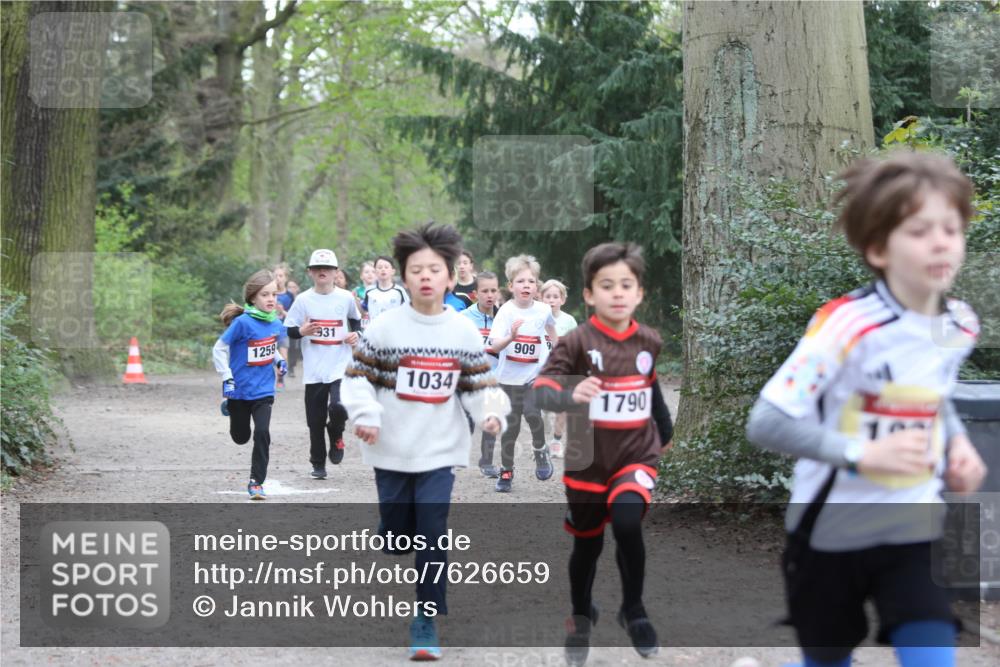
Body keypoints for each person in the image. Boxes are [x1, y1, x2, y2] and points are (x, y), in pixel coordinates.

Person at [746, 152, 986, 667]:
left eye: (952, 227)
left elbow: (935, 397)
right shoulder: (845, 325)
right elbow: (766, 421)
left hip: (912, 530)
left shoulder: (959, 324)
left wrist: (959, 446)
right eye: (920, 230)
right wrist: (862, 453)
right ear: (878, 248)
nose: (942, 241)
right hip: (829, 536)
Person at [342, 223, 509, 661]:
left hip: (439, 449)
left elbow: (479, 383)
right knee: (399, 537)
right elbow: (356, 380)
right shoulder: (384, 329)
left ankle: (426, 618)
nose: (426, 277)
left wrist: (490, 413)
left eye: (435, 269)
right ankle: (394, 530)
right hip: (391, 447)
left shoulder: (461, 332)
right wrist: (366, 415)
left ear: (451, 278)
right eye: (416, 269)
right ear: (404, 277)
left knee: (433, 533)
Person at [531, 243, 673, 664]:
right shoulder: (576, 342)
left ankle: (634, 610)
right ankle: (580, 615)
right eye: (606, 285)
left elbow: (651, 392)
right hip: (587, 456)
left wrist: (665, 435)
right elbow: (542, 391)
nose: (617, 293)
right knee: (587, 546)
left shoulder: (649, 340)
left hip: (634, 455)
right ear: (590, 294)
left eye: (626, 285)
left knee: (628, 523)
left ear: (639, 293)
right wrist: (572, 391)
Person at [284, 249, 361, 480]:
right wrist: (301, 331)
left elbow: (356, 321)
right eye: (317, 268)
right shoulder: (303, 300)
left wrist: (356, 334)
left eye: (327, 268)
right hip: (315, 369)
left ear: (336, 272)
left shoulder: (346, 297)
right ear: (310, 272)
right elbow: (289, 329)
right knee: (315, 420)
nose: (322, 272)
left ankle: (336, 433)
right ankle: (318, 463)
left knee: (339, 407)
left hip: (340, 364)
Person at [212, 269, 288, 500]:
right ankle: (230, 407)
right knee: (240, 436)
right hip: (239, 389)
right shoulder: (242, 323)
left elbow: (268, 345)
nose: (271, 299)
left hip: (264, 389)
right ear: (253, 298)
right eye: (265, 295)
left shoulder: (274, 322)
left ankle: (256, 482)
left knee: (263, 432)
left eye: (274, 295)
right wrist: (226, 376)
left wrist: (279, 360)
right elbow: (219, 349)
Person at [488, 254, 559, 492]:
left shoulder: (543, 309)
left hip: (533, 376)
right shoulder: (506, 312)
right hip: (508, 380)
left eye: (530, 281)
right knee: (511, 428)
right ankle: (506, 472)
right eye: (520, 281)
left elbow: (550, 328)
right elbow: (494, 346)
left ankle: (540, 451)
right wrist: (511, 337)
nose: (526, 285)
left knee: (533, 414)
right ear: (511, 286)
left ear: (536, 286)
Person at [461, 270, 502, 476]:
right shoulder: (464, 317)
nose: (490, 295)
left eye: (493, 290)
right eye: (485, 290)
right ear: (475, 293)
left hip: (495, 377)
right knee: (465, 420)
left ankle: (486, 461)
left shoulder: (505, 317)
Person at [540, 278, 579, 458]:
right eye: (547, 296)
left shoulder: (569, 321)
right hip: (539, 372)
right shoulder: (536, 319)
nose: (551, 300)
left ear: (562, 300)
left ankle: (556, 441)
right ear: (541, 298)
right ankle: (539, 442)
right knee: (541, 410)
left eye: (556, 296)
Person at [361, 255, 410, 322]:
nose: (383, 269)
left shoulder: (399, 291)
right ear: (375, 271)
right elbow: (364, 311)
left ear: (393, 271)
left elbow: (408, 311)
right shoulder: (369, 291)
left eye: (386, 267)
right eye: (380, 267)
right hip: (375, 329)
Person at [273, 263, 293, 388]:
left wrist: (282, 311)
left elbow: (293, 315)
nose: (278, 278)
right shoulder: (270, 292)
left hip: (283, 328)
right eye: (275, 275)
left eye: (280, 275)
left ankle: (280, 378)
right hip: (269, 328)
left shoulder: (289, 296)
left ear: (285, 278)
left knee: (283, 355)